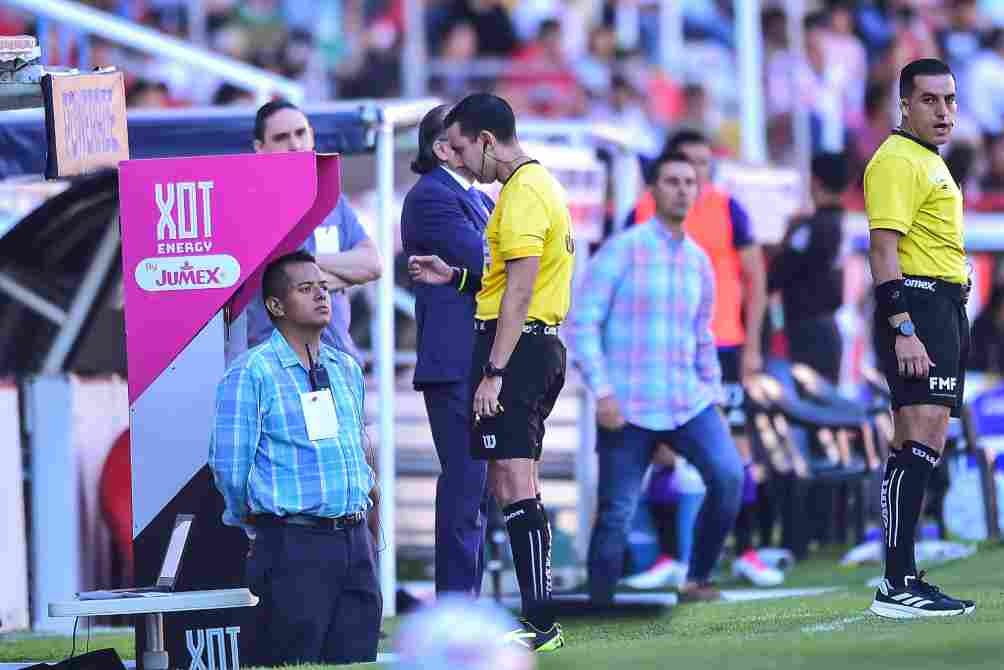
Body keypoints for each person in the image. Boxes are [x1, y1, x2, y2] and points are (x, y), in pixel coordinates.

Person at [407, 93, 573, 652]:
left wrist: (495, 371)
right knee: (507, 481)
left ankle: (541, 622)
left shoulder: (523, 193)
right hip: (528, 346)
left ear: (485, 140)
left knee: (511, 480)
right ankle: (537, 616)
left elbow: (519, 289)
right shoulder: (526, 189)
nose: (457, 160)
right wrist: (455, 277)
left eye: (460, 148)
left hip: (519, 351)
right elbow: (499, 279)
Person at [567, 151, 744, 604]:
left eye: (690, 182)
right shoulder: (623, 249)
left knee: (728, 477)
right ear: (654, 189)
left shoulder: (698, 262)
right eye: (672, 181)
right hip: (626, 405)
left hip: (687, 400)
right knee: (616, 513)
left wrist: (714, 396)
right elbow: (581, 322)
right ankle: (600, 602)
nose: (683, 189)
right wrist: (602, 392)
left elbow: (702, 336)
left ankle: (697, 578)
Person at [209, 251, 381, 664]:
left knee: (356, 660)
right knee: (293, 659)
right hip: (293, 543)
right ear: (275, 306)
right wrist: (256, 526)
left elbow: (357, 450)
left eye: (324, 287)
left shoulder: (345, 368)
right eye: (306, 289)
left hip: (356, 542)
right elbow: (230, 468)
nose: (322, 296)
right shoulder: (251, 372)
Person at [864, 57, 975, 618]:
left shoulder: (928, 161)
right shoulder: (896, 160)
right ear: (904, 103)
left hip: (942, 304)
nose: (944, 112)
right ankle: (897, 581)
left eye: (950, 100)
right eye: (930, 100)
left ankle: (901, 577)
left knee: (923, 441)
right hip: (917, 305)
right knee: (917, 438)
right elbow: (883, 250)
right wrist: (903, 328)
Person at [401, 104, 494, 595]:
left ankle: (469, 603)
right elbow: (494, 259)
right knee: (464, 488)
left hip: (479, 362)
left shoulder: (475, 199)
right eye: (472, 134)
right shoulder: (432, 198)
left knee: (478, 494)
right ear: (442, 147)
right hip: (456, 364)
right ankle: (457, 608)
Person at [245, 100, 381, 364]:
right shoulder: (250, 207)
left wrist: (304, 262)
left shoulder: (332, 200)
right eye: (281, 137)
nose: (295, 145)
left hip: (339, 359)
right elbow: (285, 288)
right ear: (260, 149)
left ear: (312, 137)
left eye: (300, 133)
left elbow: (373, 264)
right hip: (278, 365)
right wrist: (346, 274)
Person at [768, 152, 849, 384]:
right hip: (827, 327)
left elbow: (779, 272)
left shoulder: (811, 228)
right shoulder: (839, 224)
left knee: (810, 403)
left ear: (814, 181)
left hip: (808, 331)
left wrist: (786, 238)